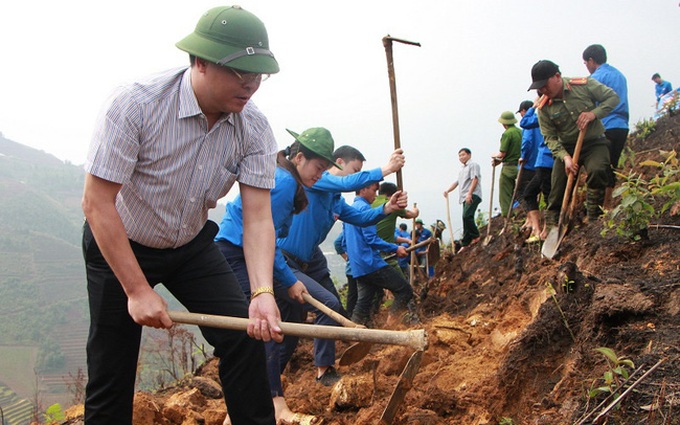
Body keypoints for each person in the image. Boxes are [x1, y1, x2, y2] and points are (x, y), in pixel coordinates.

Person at [81, 6, 282, 425]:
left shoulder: (255, 129)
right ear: (201, 62)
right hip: (120, 242)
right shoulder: (136, 105)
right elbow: (97, 203)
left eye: (258, 74)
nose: (250, 84)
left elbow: (258, 217)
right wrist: (136, 290)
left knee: (243, 335)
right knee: (111, 368)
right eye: (239, 71)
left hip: (190, 246)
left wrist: (263, 292)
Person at [215, 127, 341, 424]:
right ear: (299, 157)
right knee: (266, 326)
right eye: (318, 168)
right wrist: (290, 280)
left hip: (248, 253)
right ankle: (273, 401)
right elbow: (262, 240)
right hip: (236, 254)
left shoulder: (287, 179)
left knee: (293, 313)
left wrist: (288, 283)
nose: (319, 175)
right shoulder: (284, 182)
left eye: (324, 170)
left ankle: (259, 394)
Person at [276, 144, 407, 384]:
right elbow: (347, 184)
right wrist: (387, 168)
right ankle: (322, 371)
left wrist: (388, 208)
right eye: (354, 170)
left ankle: (281, 372)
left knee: (332, 308)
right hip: (285, 257)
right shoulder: (322, 180)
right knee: (325, 305)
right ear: (338, 162)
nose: (355, 177)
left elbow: (361, 218)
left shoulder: (335, 200)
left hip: (310, 258)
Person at [528, 59, 619, 226]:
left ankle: (593, 218)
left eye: (544, 85)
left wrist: (594, 114)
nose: (542, 90)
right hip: (568, 149)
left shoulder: (583, 86)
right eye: (539, 87)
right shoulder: (544, 108)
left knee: (598, 170)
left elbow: (612, 98)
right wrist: (565, 158)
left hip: (594, 143)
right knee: (556, 192)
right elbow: (550, 137)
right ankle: (552, 228)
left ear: (557, 76)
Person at [344, 183, 416, 326]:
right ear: (363, 189)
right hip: (371, 264)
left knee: (363, 303)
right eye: (374, 190)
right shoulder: (365, 209)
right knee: (405, 290)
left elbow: (344, 241)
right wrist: (395, 248)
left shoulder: (350, 210)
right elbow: (371, 239)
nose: (375, 194)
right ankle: (391, 326)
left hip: (358, 266)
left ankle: (351, 334)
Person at [519, 99, 553, 243]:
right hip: (543, 161)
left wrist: (523, 156)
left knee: (542, 194)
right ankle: (538, 229)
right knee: (539, 193)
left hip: (543, 161)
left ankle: (541, 229)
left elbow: (525, 129)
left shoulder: (537, 117)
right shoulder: (542, 116)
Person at [372, 182, 420, 277]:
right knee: (403, 288)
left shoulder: (371, 203)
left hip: (369, 255)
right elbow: (411, 214)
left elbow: (384, 233)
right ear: (393, 195)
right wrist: (416, 210)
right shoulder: (392, 205)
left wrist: (406, 240)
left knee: (375, 289)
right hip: (385, 254)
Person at [443, 148, 482, 251]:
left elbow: (475, 179)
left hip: (473, 194)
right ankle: (465, 243)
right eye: (459, 155)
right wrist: (448, 190)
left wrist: (469, 194)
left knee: (467, 216)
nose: (461, 157)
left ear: (469, 155)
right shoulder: (462, 169)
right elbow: (457, 182)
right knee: (465, 219)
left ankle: (476, 235)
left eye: (463, 155)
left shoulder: (473, 165)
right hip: (464, 197)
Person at [492, 111, 522, 218]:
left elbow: (502, 153)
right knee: (520, 191)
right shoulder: (520, 132)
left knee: (505, 195)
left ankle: (507, 216)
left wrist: (495, 156)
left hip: (508, 168)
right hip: (520, 166)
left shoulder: (507, 134)